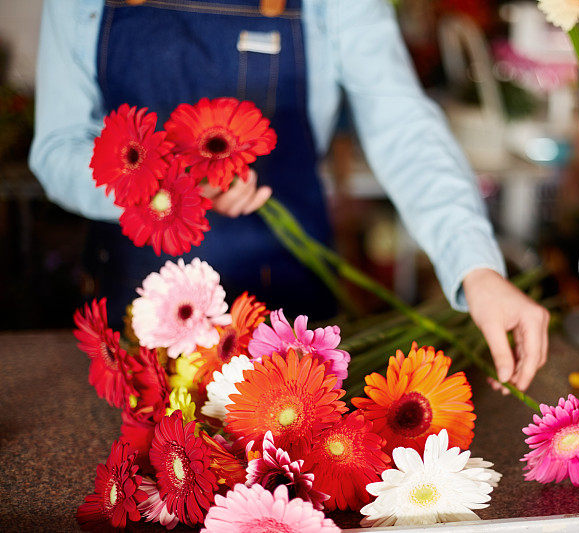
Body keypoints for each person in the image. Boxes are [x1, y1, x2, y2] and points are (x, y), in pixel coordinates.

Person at [29, 0, 549, 393]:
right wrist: (170, 189)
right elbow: (57, 150)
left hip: (290, 325)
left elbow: (403, 125)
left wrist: (476, 268)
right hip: (135, 325)